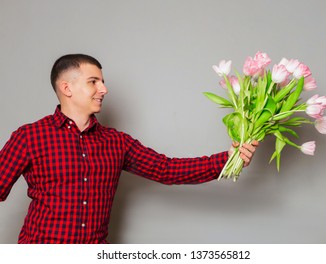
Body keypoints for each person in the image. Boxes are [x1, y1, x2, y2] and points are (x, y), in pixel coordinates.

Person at [0, 54, 258, 244]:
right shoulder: (29, 137)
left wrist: (229, 158)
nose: (104, 89)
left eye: (102, 82)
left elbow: (167, 169)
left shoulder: (117, 142)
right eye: (94, 82)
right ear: (67, 88)